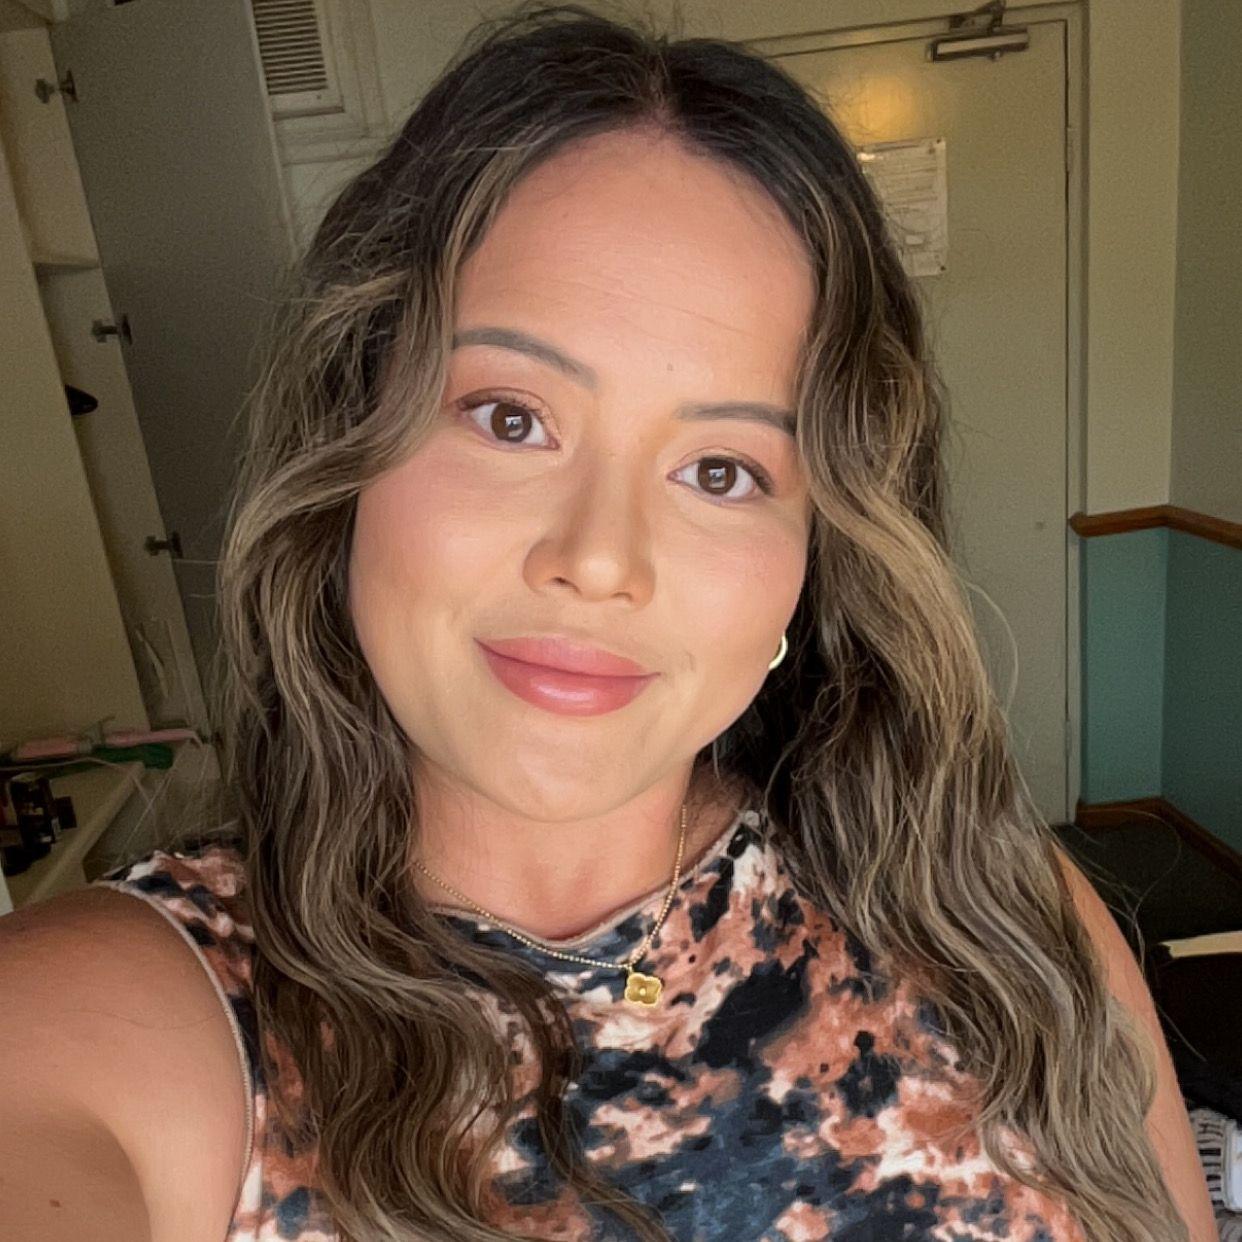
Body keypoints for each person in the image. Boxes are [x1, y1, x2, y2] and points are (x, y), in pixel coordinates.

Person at [0, 4, 1216, 1240]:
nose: (598, 560)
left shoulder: (990, 912)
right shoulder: (139, 1020)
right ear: (347, 447)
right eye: (510, 418)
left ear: (813, 560)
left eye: (722, 471)